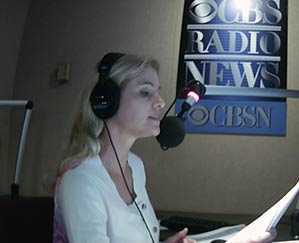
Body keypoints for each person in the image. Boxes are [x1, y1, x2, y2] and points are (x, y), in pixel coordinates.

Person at [52, 53, 276, 243]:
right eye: (145, 92)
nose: (160, 101)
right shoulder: (80, 181)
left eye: (157, 91)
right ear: (107, 100)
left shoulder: (136, 167)